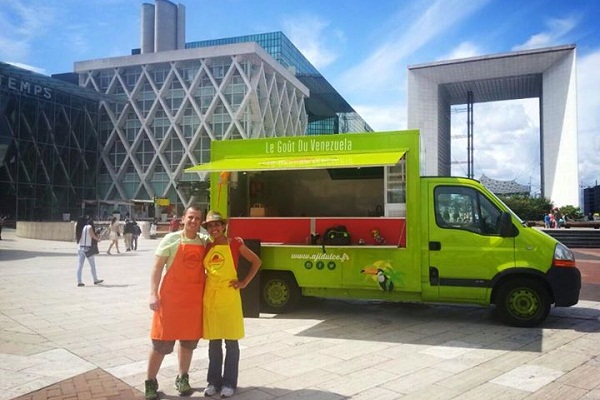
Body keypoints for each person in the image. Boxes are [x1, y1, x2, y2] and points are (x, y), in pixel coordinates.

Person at [144, 205, 207, 400]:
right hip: (170, 302)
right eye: (191, 217)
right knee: (160, 344)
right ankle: (150, 382)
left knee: (188, 343)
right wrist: (153, 294)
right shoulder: (170, 239)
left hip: (193, 302)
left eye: (197, 218)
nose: (193, 221)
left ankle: (182, 378)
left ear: (201, 221)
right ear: (183, 218)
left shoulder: (205, 242)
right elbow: (156, 269)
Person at [201, 210, 261, 398]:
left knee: (231, 343)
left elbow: (256, 261)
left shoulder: (235, 243)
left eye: (217, 224)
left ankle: (229, 383)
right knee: (214, 343)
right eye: (210, 226)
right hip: (211, 298)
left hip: (229, 297)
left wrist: (244, 282)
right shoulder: (207, 247)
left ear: (224, 226)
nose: (214, 228)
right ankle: (213, 382)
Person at [75, 217, 104, 287]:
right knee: (92, 265)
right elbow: (92, 236)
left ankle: (79, 281)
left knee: (80, 265)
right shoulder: (89, 227)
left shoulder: (80, 227)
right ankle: (95, 279)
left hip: (81, 247)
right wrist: (98, 239)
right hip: (88, 248)